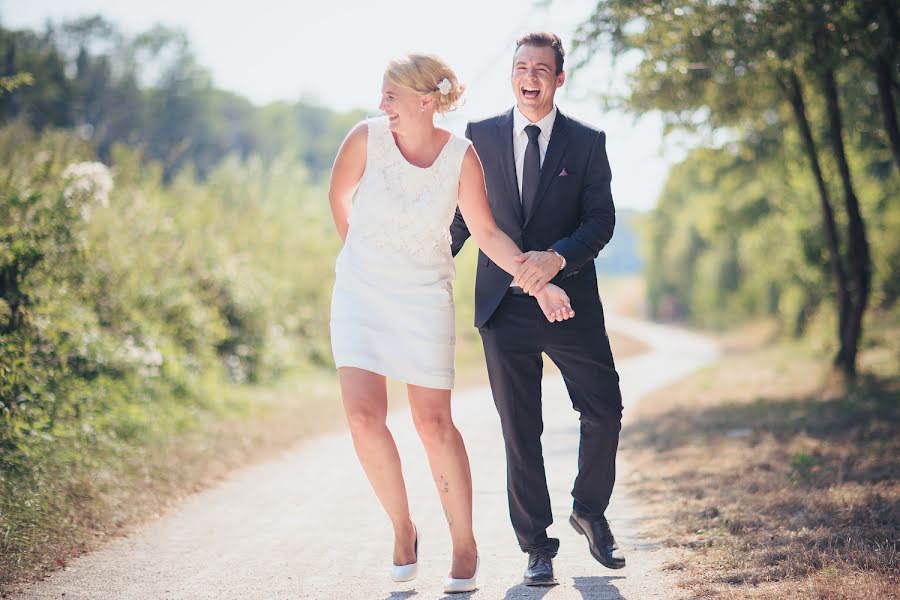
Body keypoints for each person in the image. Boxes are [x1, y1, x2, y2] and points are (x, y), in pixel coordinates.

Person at [327, 52, 575, 594]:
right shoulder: (364, 139)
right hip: (360, 296)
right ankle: (403, 530)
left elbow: (486, 234)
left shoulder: (461, 157)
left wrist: (538, 280)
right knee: (364, 419)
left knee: (433, 424)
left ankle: (464, 543)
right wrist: (362, 256)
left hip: (423, 297)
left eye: (390, 95)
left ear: (423, 99)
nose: (380, 104)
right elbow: (338, 196)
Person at [449, 32, 626, 587]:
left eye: (542, 69)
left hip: (569, 299)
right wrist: (423, 268)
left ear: (559, 79)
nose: (530, 77)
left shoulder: (588, 143)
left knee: (604, 410)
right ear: (512, 76)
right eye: (521, 67)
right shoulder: (477, 139)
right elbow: (463, 221)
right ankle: (536, 547)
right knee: (519, 430)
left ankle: (589, 510)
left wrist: (557, 259)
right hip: (503, 306)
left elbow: (600, 222)